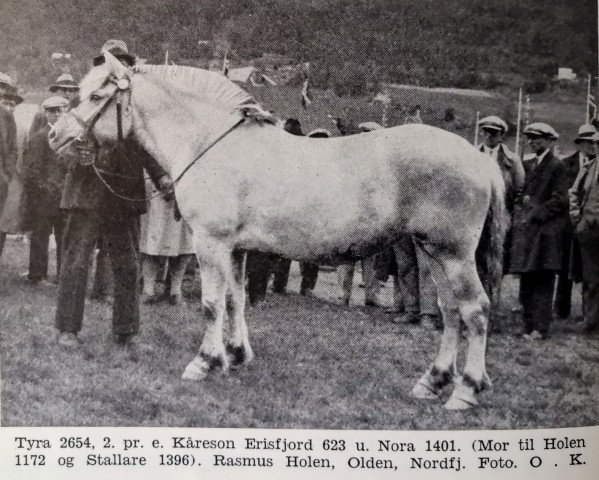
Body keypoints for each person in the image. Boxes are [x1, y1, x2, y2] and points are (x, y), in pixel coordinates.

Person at [54, 40, 174, 355]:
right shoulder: (86, 101)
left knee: (127, 265)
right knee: (77, 262)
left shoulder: (134, 107)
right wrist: (76, 157)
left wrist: (162, 177)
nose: (116, 68)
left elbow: (146, 146)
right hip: (86, 195)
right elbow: (62, 150)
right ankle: (68, 329)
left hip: (124, 197)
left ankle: (126, 331)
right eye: (112, 62)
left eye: (122, 62)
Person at [510, 122, 568, 340]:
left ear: (549, 141)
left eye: (538, 138)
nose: (533, 142)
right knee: (527, 279)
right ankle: (528, 325)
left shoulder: (557, 166)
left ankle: (539, 328)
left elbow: (560, 200)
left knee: (542, 280)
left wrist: (535, 212)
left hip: (546, 233)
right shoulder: (529, 164)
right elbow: (523, 196)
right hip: (529, 232)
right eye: (530, 138)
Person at [22, 96, 69, 283]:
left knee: (64, 239)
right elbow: (31, 171)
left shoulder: (70, 137)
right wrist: (48, 188)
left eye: (60, 110)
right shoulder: (39, 137)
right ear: (46, 113)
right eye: (53, 111)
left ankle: (63, 276)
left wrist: (64, 187)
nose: (57, 114)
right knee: (40, 237)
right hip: (43, 198)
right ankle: (37, 275)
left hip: (64, 197)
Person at [554, 124, 596, 319]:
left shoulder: (594, 165)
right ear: (580, 144)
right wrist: (573, 215)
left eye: (593, 143)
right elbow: (567, 193)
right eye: (586, 142)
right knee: (566, 269)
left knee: (590, 271)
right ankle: (562, 309)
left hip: (590, 226)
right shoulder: (567, 164)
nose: (590, 146)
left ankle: (590, 314)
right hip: (570, 225)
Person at [139, 174, 195, 305]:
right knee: (151, 242)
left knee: (182, 242)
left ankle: (175, 291)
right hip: (156, 185)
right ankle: (148, 290)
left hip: (184, 186)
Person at [569, 132, 599, 333]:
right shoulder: (588, 167)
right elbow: (574, 193)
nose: (595, 146)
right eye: (595, 143)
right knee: (590, 278)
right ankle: (591, 321)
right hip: (588, 231)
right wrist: (576, 215)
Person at [271, 118, 304, 294]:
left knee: (283, 248)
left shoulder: (285, 152)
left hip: (289, 202)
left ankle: (279, 283)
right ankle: (280, 283)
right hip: (287, 202)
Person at [0, 73, 20, 260]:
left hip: (1, 178)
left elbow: (13, 147)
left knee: (1, 221)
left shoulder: (6, 117)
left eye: (2, 87)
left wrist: (8, 172)